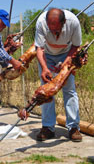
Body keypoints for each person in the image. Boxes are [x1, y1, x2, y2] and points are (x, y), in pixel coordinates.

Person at [35, 8, 82, 142]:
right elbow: (39, 48)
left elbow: (76, 46)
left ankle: (73, 127)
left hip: (67, 53)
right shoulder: (41, 22)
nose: (54, 32)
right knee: (46, 91)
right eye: (50, 28)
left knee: (69, 89)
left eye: (57, 29)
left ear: (64, 22)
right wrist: (44, 68)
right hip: (47, 55)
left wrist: (67, 62)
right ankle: (48, 128)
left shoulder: (73, 22)